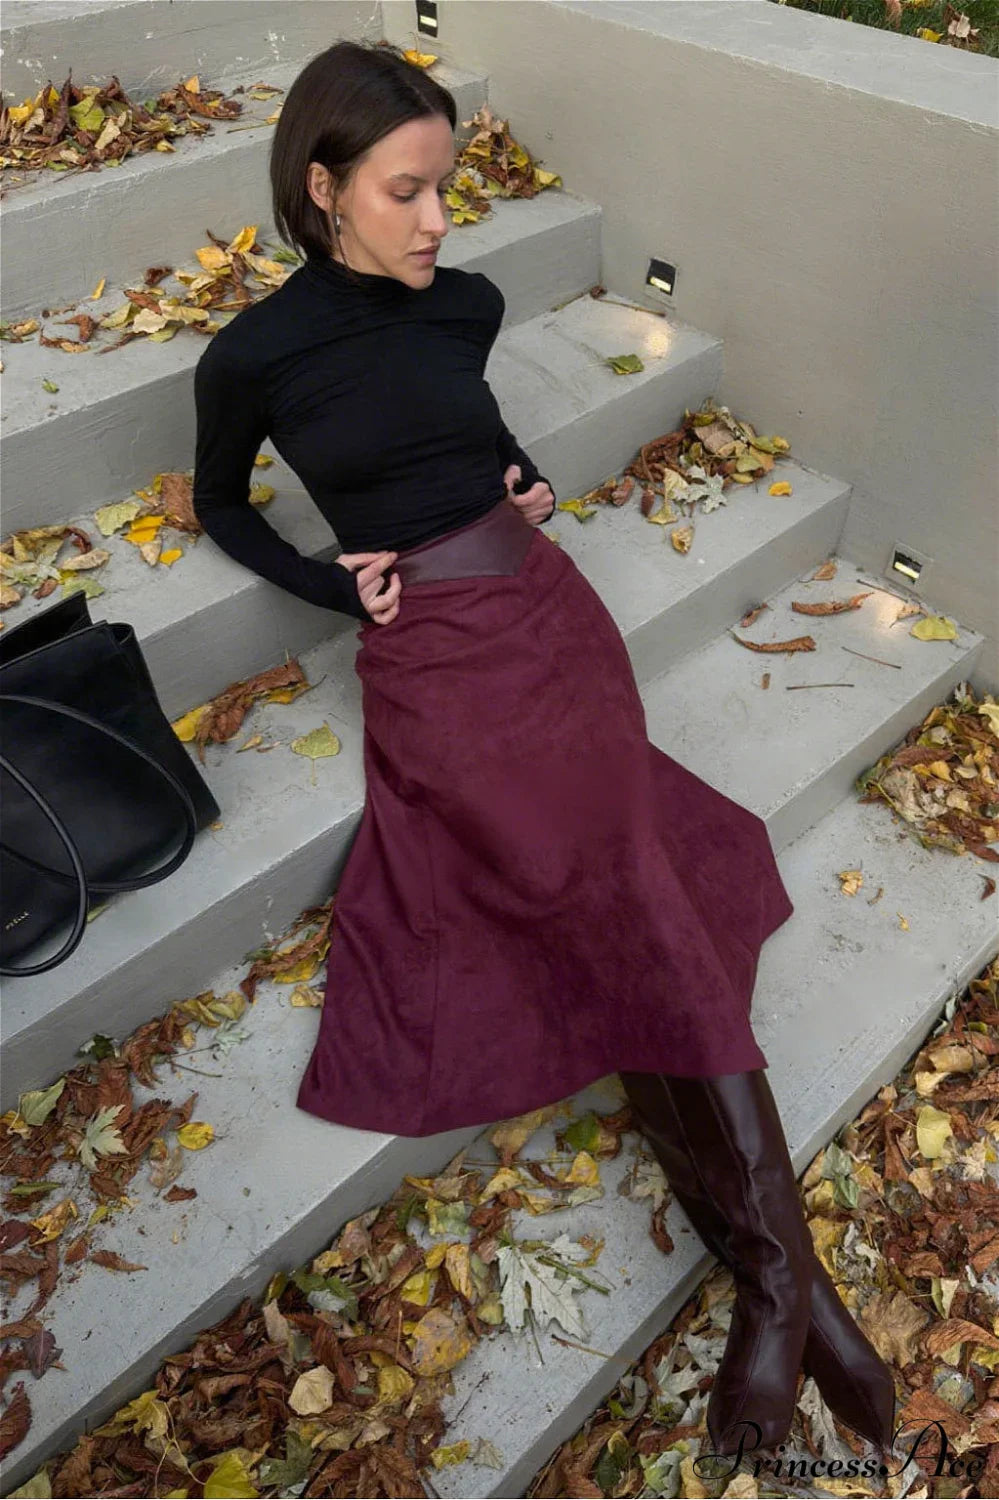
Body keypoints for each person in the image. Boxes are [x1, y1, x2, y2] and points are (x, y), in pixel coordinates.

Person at [191, 39, 896, 1460]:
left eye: (446, 186)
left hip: (545, 612)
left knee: (618, 864)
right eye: (406, 190)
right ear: (323, 187)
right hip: (435, 654)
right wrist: (334, 586)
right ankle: (791, 1286)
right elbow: (220, 505)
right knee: (610, 872)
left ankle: (774, 1281)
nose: (438, 218)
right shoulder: (253, 356)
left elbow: (479, 429)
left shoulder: (464, 304)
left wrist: (521, 478)